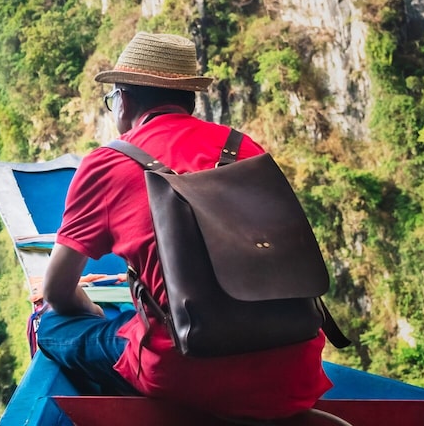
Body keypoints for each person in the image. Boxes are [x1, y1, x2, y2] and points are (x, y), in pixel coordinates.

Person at [33, 32, 331, 420]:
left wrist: (92, 313)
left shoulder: (107, 163)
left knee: (53, 325)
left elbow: (57, 291)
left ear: (123, 99)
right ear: (189, 100)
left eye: (112, 100)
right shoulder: (245, 147)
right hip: (296, 372)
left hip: (185, 373)